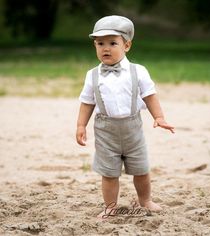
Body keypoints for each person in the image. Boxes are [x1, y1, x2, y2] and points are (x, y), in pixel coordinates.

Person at [76, 15, 174, 218]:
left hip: (132, 130)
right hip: (105, 131)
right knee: (109, 173)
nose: (105, 48)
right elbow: (87, 102)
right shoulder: (92, 75)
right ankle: (110, 205)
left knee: (141, 169)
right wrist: (80, 125)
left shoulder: (138, 71)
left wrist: (159, 117)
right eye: (100, 43)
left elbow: (149, 95)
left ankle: (145, 200)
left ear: (127, 45)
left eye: (113, 43)